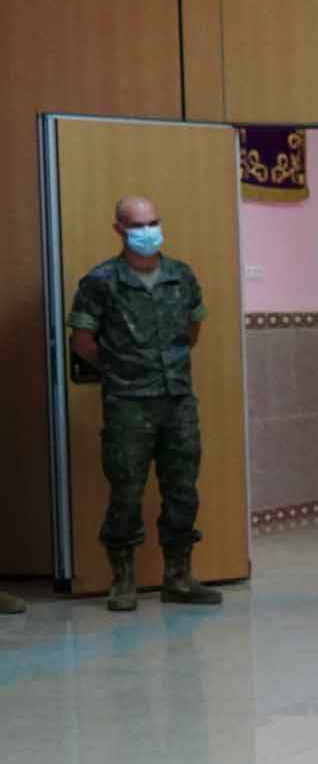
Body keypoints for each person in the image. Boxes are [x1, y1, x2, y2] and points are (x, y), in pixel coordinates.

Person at [67, 196, 220, 613]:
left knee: (183, 489)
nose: (148, 231)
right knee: (126, 491)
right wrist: (120, 369)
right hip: (128, 402)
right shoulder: (101, 281)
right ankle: (123, 581)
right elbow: (82, 341)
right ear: (119, 230)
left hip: (177, 399)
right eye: (137, 225)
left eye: (153, 222)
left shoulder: (180, 275)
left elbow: (193, 328)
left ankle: (179, 577)